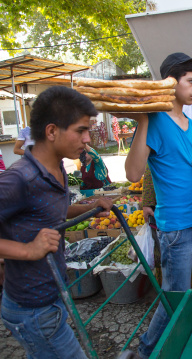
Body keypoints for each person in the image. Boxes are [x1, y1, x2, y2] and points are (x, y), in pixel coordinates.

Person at [123, 52, 192, 359]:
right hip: (178, 230)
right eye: (191, 81)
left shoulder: (190, 124)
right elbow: (133, 173)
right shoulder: (155, 122)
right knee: (175, 298)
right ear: (171, 82)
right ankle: (146, 352)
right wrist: (144, 119)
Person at [0, 86, 113, 358]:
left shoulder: (58, 166)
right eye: (80, 130)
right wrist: (28, 250)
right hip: (32, 309)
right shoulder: (19, 179)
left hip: (53, 296)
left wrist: (89, 207)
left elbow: (51, 212)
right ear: (51, 132)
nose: (87, 139)